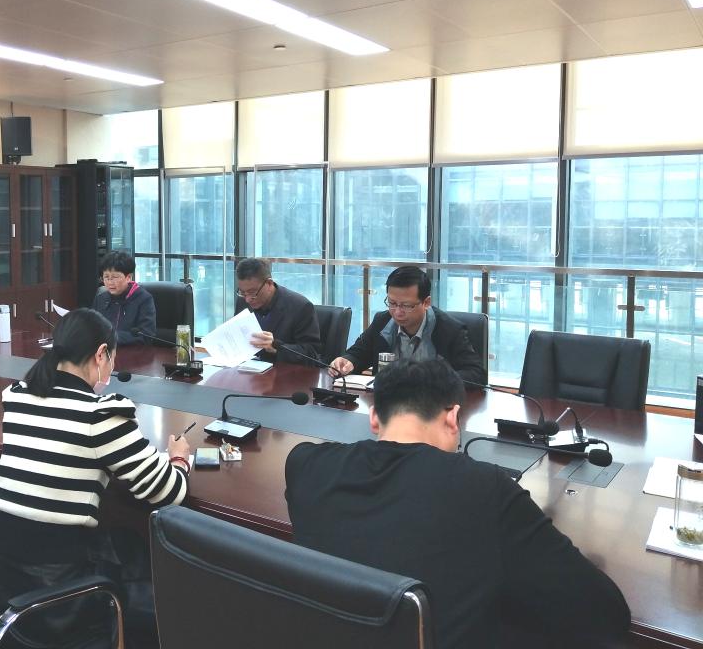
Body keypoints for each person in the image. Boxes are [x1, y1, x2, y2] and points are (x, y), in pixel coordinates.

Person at [285, 359, 630, 649]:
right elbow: (604, 612)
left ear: (374, 418)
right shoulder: (484, 488)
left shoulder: (304, 465)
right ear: (453, 417)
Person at [0, 307, 190, 646]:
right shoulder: (100, 416)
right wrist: (179, 458)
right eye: (112, 359)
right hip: (60, 597)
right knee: (143, 554)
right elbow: (168, 492)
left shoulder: (16, 397)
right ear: (101, 353)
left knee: (124, 541)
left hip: (0, 577)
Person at [330, 265, 486, 384]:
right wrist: (348, 361)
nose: (397, 312)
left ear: (426, 302)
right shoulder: (382, 321)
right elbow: (359, 353)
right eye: (392, 303)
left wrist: (434, 380)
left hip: (430, 408)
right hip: (386, 405)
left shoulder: (449, 329)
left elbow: (476, 374)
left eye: (406, 305)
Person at [235, 257, 321, 365]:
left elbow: (311, 353)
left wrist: (275, 347)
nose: (247, 299)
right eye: (242, 292)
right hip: (247, 369)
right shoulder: (243, 300)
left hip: (284, 371)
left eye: (252, 292)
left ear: (269, 283)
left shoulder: (301, 307)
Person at [92, 250, 157, 345]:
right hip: (104, 351)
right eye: (106, 277)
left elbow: (146, 336)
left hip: (132, 352)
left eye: (115, 277)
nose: (110, 282)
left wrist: (111, 337)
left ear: (129, 277)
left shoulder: (144, 299)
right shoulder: (101, 298)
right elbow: (92, 327)